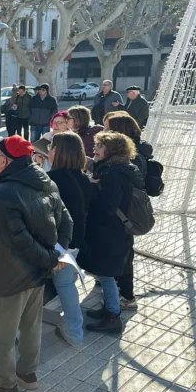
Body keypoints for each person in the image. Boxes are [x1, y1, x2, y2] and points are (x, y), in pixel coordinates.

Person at [0, 136, 72, 392]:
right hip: (38, 274)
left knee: (1, 334)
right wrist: (56, 255)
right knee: (31, 327)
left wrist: (52, 258)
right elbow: (66, 221)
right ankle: (27, 375)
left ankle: (6, 386)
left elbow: (19, 241)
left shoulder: (2, 192)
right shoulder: (45, 180)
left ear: (5, 161)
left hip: (9, 276)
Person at [80, 132, 144, 333]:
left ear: (112, 150)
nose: (95, 148)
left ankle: (113, 316)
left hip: (110, 232)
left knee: (105, 275)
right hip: (118, 231)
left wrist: (92, 188)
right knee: (106, 273)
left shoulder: (112, 174)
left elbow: (107, 206)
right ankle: (108, 308)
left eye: (100, 145)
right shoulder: (123, 168)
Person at [45, 131, 93, 347]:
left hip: (57, 244)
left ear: (58, 151)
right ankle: (74, 332)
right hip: (76, 242)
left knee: (37, 290)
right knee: (66, 286)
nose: (48, 151)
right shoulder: (83, 178)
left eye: (51, 147)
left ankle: (17, 333)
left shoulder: (52, 180)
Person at [102, 113, 151, 311]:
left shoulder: (131, 159)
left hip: (124, 218)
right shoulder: (122, 158)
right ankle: (118, 292)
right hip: (122, 217)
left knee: (124, 256)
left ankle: (126, 296)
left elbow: (122, 193)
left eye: (107, 127)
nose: (103, 130)